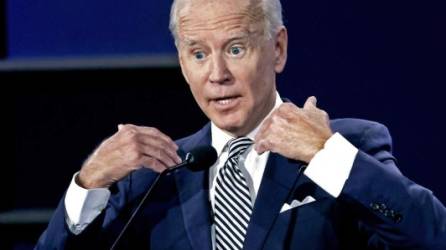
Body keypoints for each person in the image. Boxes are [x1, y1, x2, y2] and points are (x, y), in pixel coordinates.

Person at [36, 0, 446, 249]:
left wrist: (327, 155)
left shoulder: (347, 145)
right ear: (182, 64)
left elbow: (431, 237)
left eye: (236, 48)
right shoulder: (152, 179)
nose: (217, 74)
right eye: (198, 54)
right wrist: (88, 182)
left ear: (278, 49)